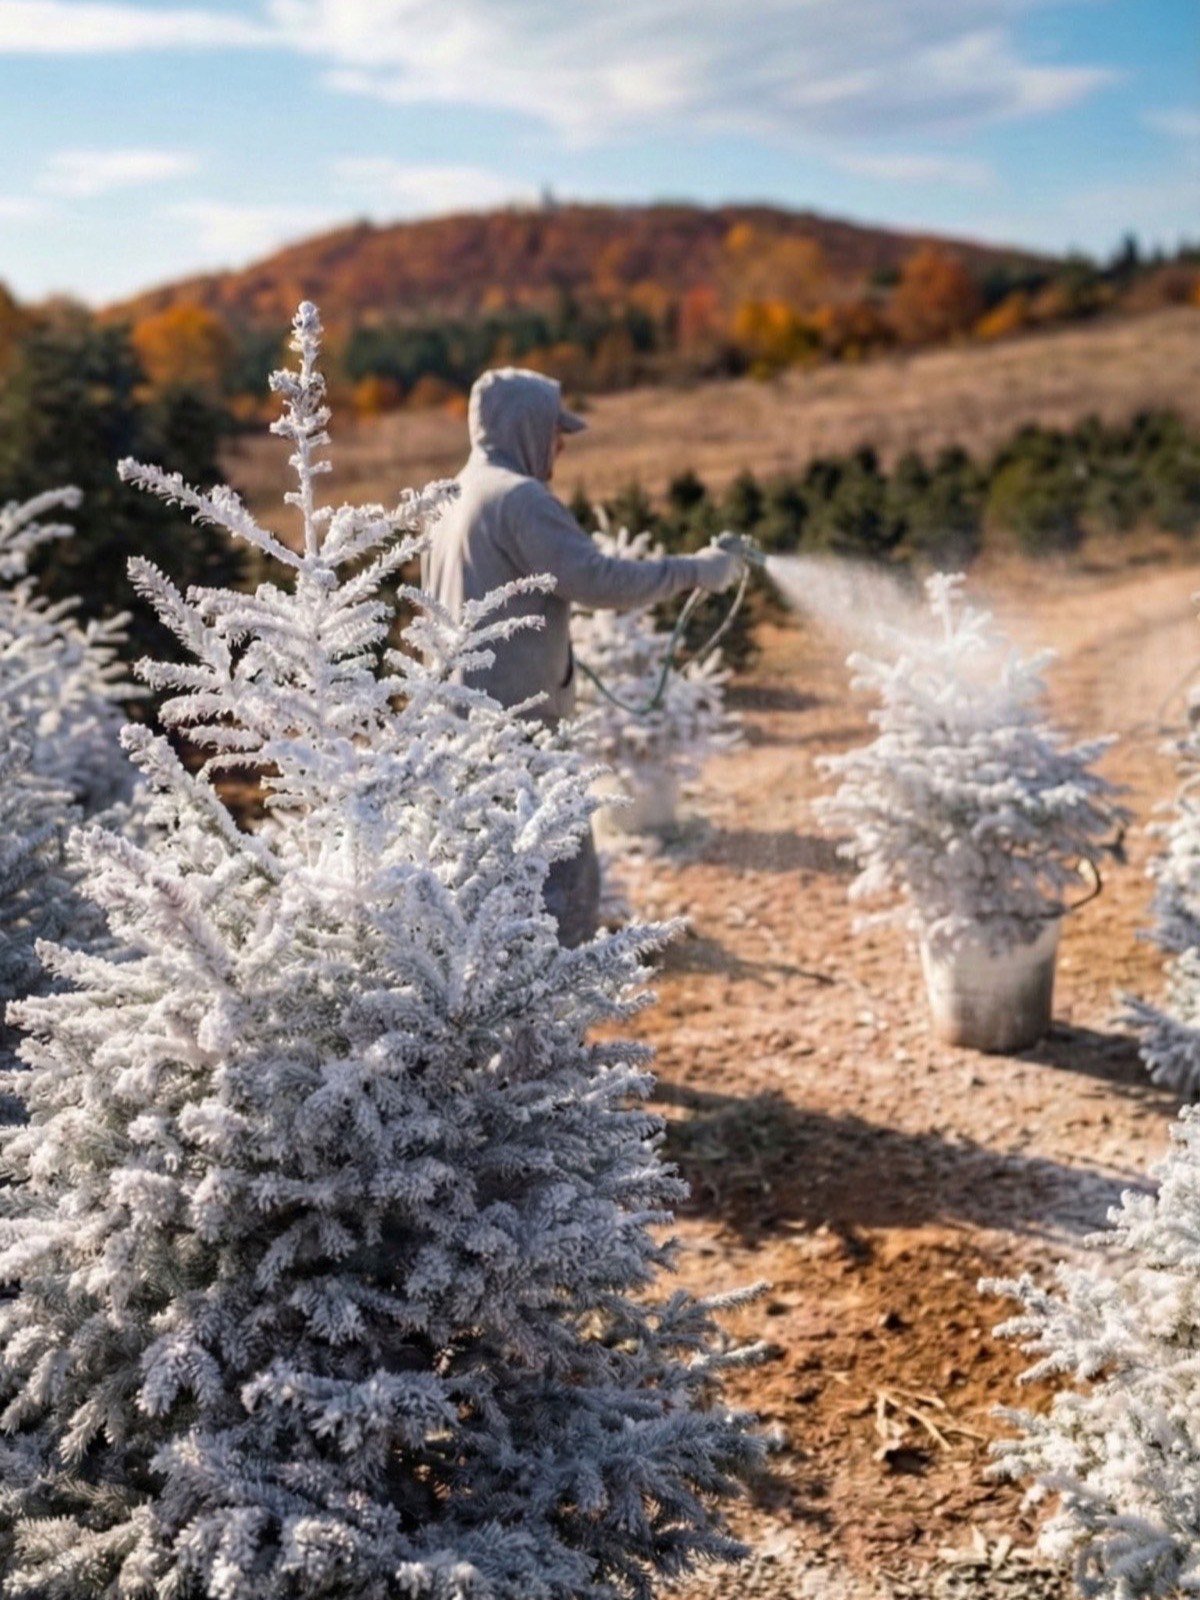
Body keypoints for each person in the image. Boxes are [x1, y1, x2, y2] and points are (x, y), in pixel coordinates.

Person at [423, 366, 740, 946]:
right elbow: (596, 579)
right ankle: (556, 1026)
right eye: (554, 430)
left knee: (492, 896)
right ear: (526, 427)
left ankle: (513, 1026)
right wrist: (697, 570)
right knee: (562, 890)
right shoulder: (520, 499)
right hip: (521, 733)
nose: (561, 444)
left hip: (461, 732)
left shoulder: (452, 498)